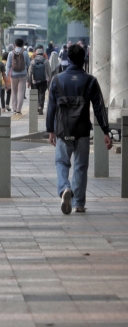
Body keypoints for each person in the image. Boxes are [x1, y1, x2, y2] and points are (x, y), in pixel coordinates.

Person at [46, 45, 112, 215]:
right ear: (84, 60)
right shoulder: (90, 81)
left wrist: (50, 130)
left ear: (67, 58)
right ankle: (79, 204)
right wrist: (106, 131)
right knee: (81, 166)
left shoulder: (57, 80)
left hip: (62, 130)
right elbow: (99, 108)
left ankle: (65, 189)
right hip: (82, 130)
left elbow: (51, 108)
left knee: (61, 162)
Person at [6, 38, 30, 115]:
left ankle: (14, 108)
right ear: (22, 45)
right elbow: (29, 64)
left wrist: (7, 76)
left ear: (14, 44)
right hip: (23, 74)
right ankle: (19, 109)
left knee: (14, 92)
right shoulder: (25, 53)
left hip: (14, 75)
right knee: (21, 92)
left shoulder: (10, 53)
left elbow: (8, 66)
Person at [27, 47, 51, 115]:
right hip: (43, 80)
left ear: (36, 53)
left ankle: (36, 107)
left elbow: (30, 72)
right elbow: (49, 71)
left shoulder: (33, 61)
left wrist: (29, 81)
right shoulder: (46, 61)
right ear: (43, 54)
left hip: (34, 80)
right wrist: (49, 80)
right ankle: (41, 107)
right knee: (42, 94)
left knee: (35, 94)